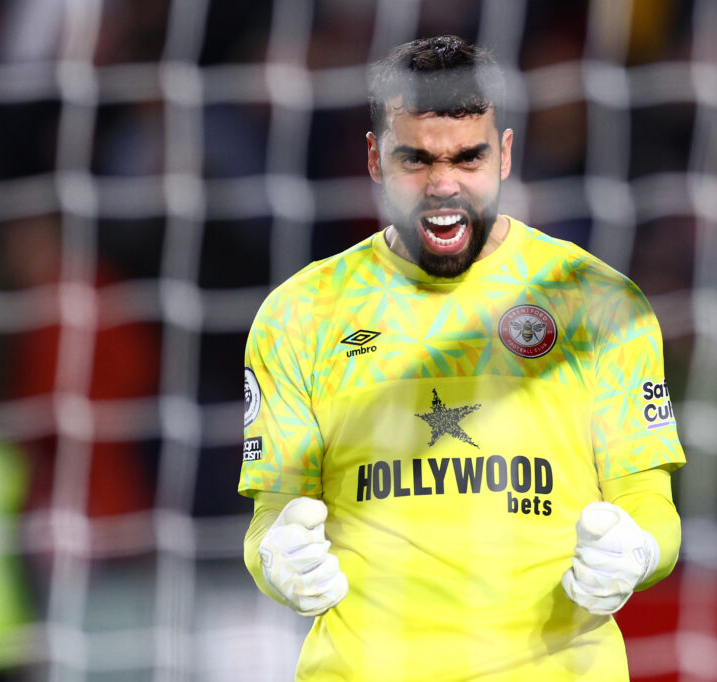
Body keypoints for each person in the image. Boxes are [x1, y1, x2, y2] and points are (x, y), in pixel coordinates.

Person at [239, 35, 684, 681]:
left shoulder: (598, 302)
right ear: (375, 159)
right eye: (415, 160)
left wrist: (638, 551)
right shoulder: (301, 313)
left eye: (468, 157)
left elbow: (649, 502)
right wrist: (275, 561)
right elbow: (270, 518)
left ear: (505, 154)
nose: (443, 185)